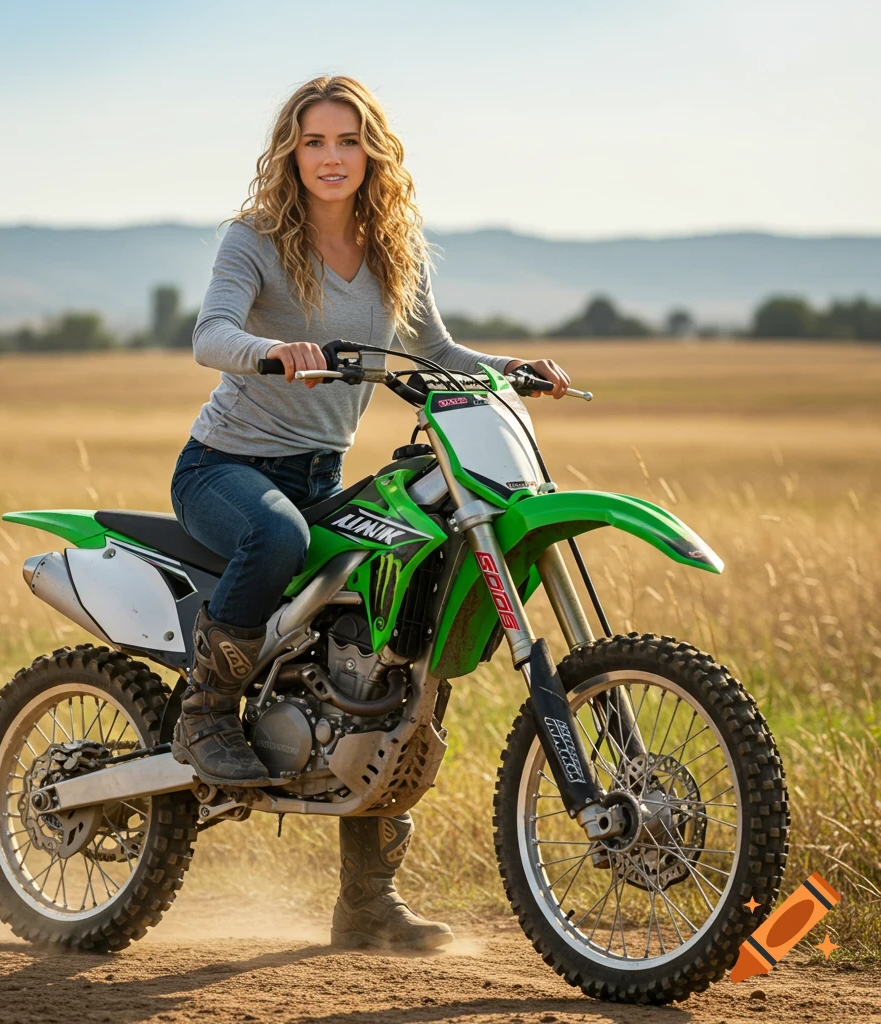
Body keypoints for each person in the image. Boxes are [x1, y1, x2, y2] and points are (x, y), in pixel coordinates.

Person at [169, 75, 570, 950]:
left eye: (346, 141)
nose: (330, 157)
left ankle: (365, 903)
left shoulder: (396, 247)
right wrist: (276, 353)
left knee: (385, 638)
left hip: (321, 474)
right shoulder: (256, 239)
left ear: (372, 152)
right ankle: (205, 713)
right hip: (225, 468)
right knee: (273, 534)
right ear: (291, 152)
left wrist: (514, 369)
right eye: (313, 142)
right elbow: (210, 335)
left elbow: (437, 352)